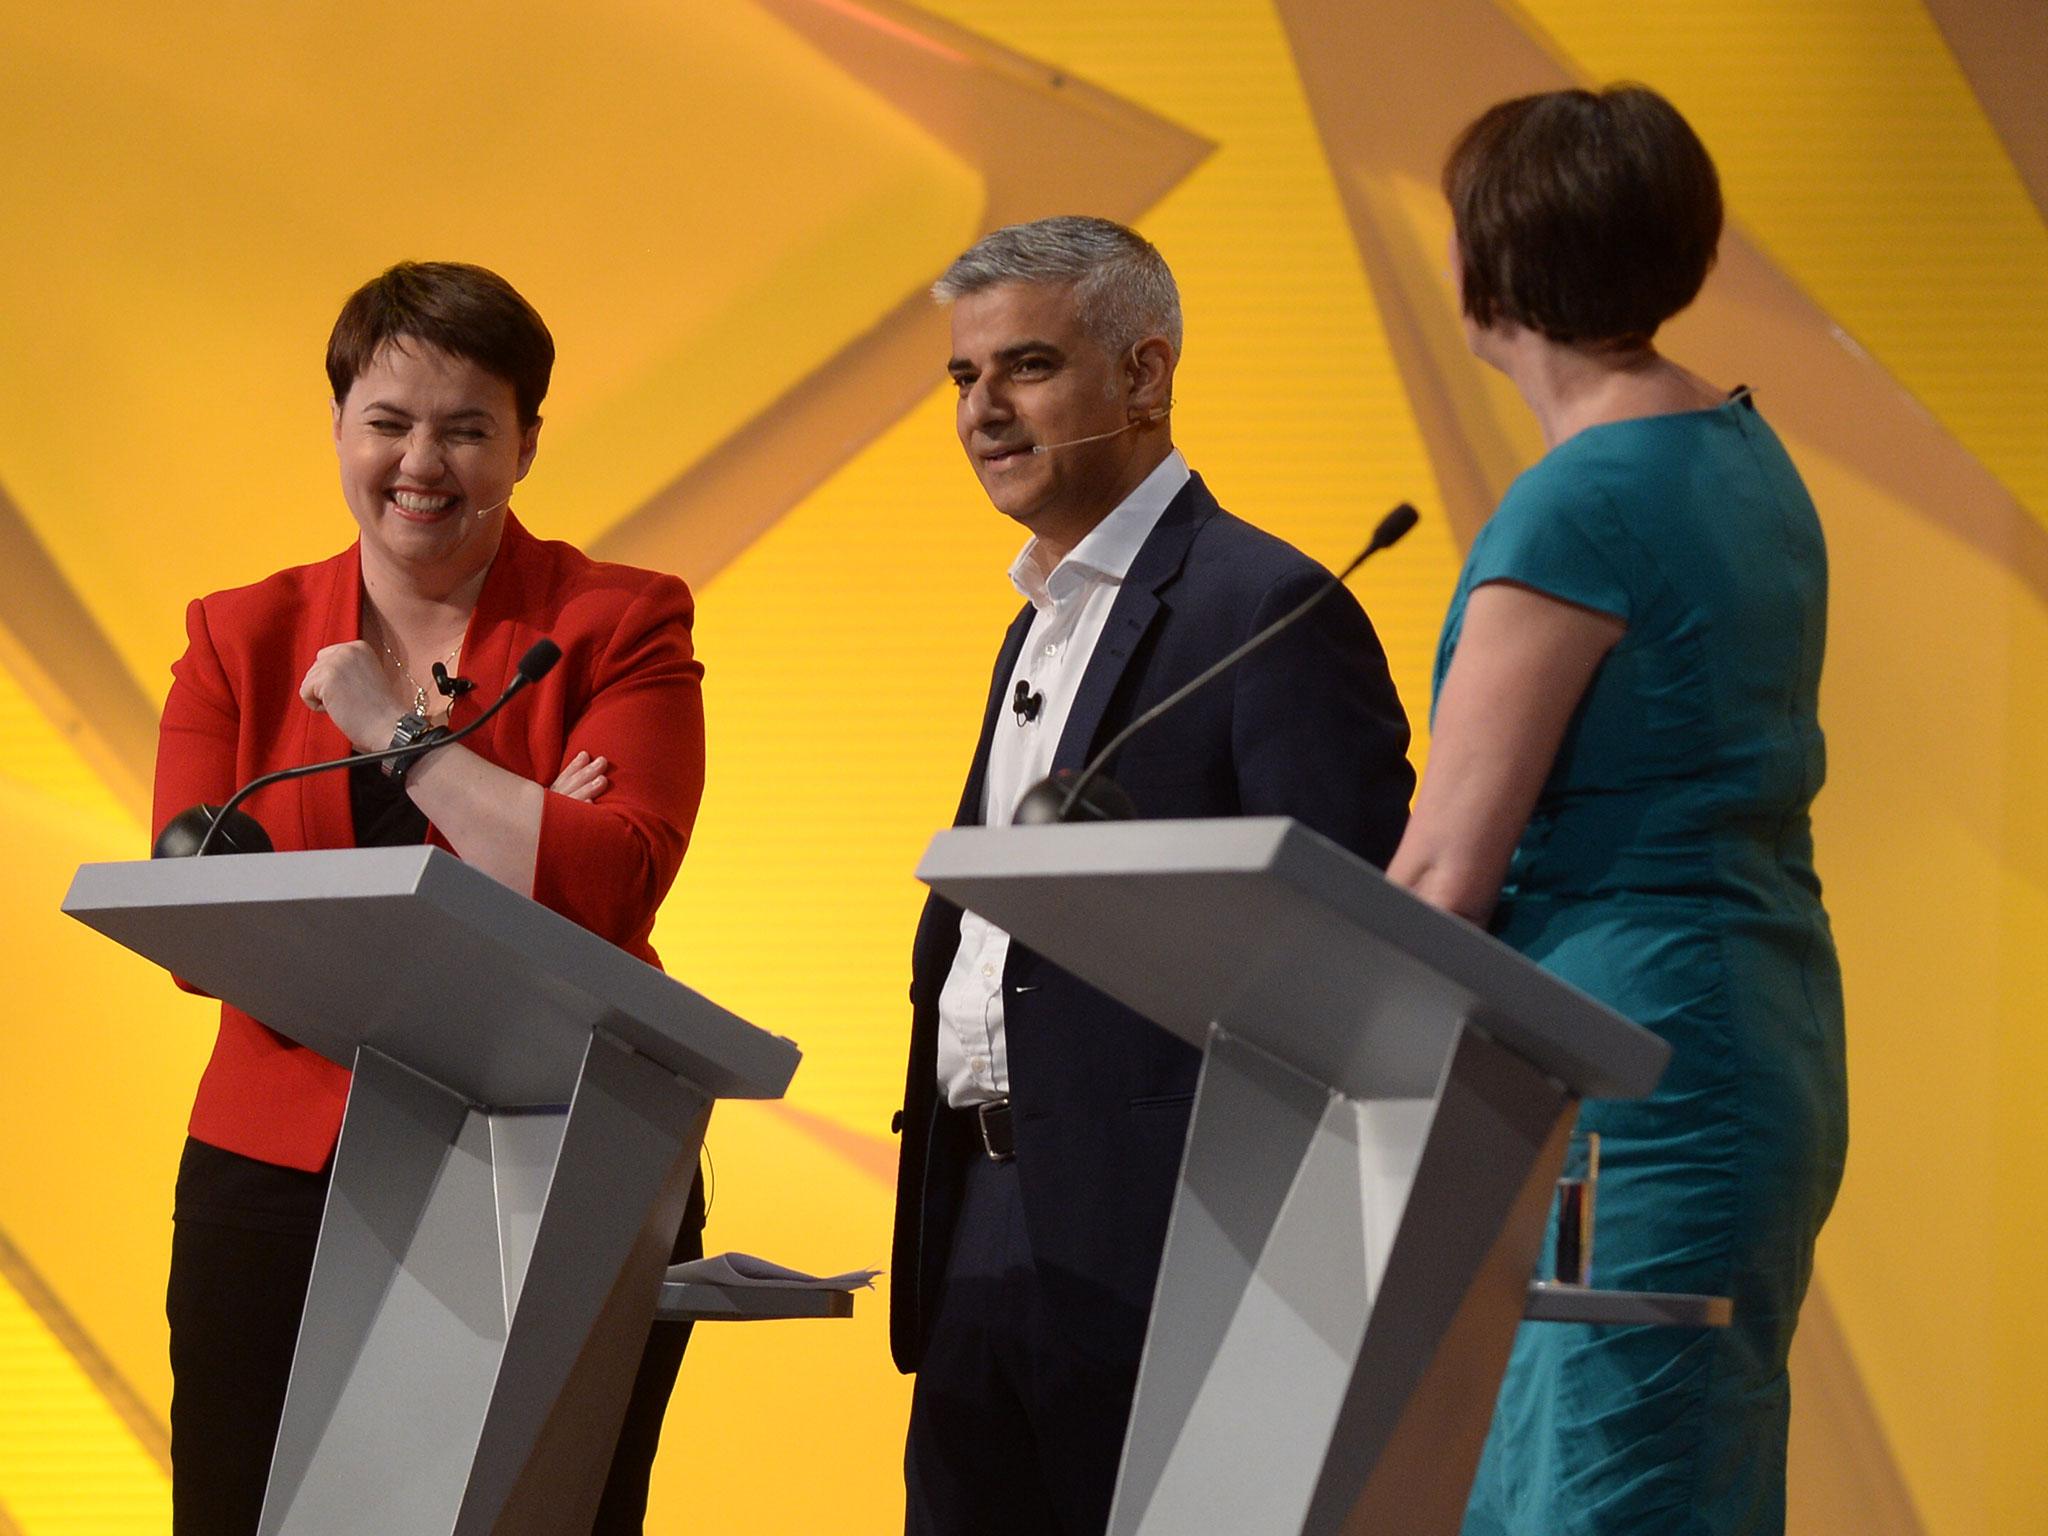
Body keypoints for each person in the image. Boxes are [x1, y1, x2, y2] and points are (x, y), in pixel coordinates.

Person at [151, 261, 707, 1535]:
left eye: (467, 428)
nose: (423, 463)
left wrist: (397, 741)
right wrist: (516, 823)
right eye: (389, 423)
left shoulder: (617, 621)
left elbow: (611, 885)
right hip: (278, 1162)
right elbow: (202, 914)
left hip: (562, 1155)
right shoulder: (239, 635)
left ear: (525, 444)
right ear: (341, 427)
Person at [891, 215, 1415, 1536]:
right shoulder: (1036, 623)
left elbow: (1352, 969)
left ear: (1143, 373)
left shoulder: (1269, 611)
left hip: (1169, 1250)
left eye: (1026, 368)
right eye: (964, 379)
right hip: (980, 1226)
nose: (983, 411)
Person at [1387, 86, 1849, 1534]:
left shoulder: (1576, 506)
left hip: (1620, 1073)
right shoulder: (1746, 458)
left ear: (1489, 267)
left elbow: (1445, 872)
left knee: (1599, 1498)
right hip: (1746, 1031)